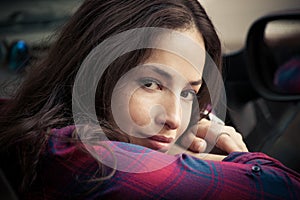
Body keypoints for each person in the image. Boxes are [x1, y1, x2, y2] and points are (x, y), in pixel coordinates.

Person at [0, 0, 299, 199]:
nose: (175, 119)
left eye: (187, 94)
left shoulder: (33, 132)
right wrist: (240, 159)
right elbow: (280, 188)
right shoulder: (85, 160)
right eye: (150, 84)